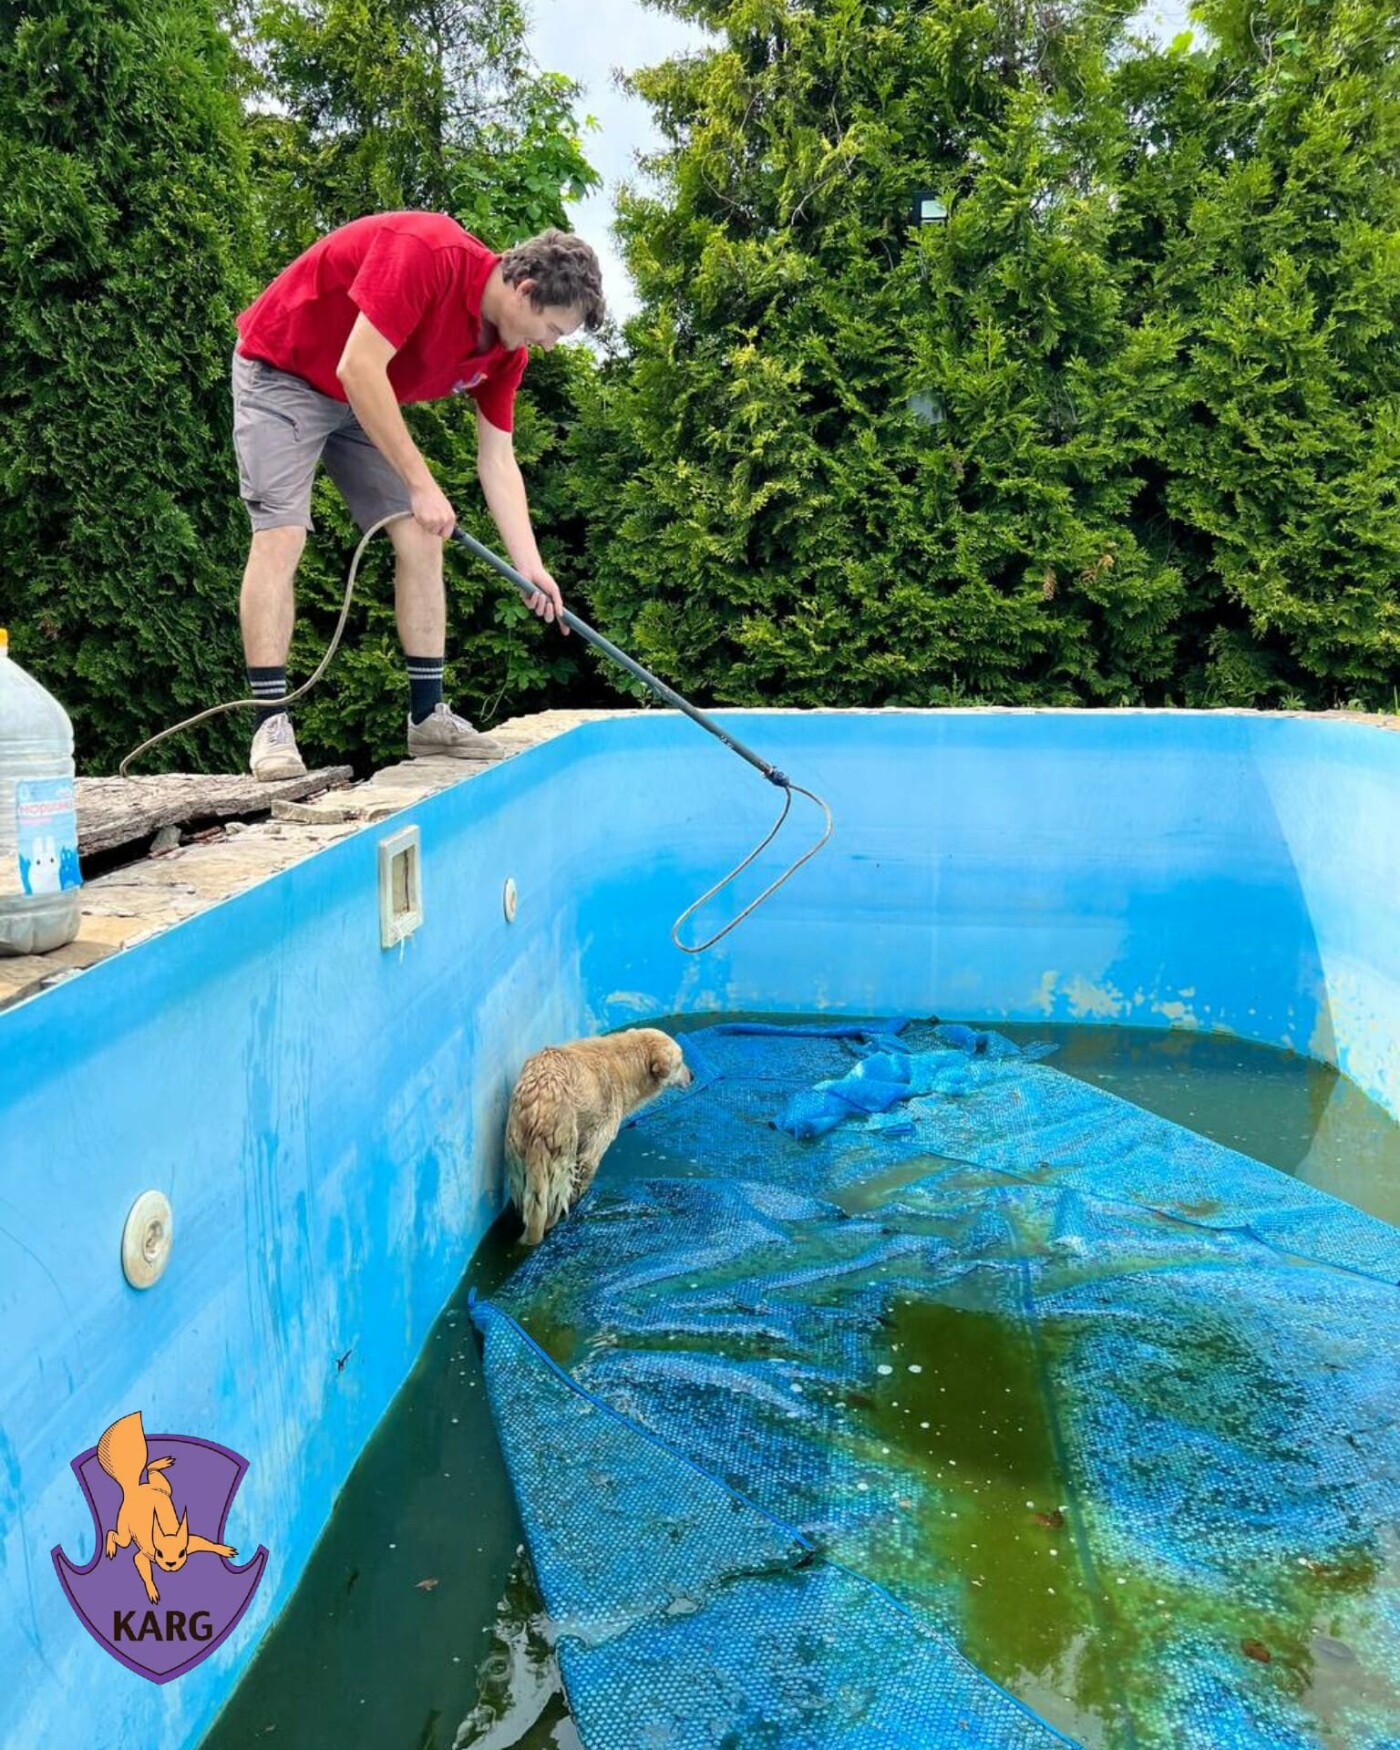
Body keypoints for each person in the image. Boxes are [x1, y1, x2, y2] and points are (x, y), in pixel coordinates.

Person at [231, 212, 605, 780]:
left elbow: (497, 461)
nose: (550, 345)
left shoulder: (506, 354)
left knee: (422, 536)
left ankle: (428, 718)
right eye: (553, 329)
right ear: (526, 291)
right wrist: (421, 482)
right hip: (284, 369)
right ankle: (270, 725)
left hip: (360, 394)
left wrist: (532, 567)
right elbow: (357, 366)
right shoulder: (427, 253)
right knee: (281, 533)